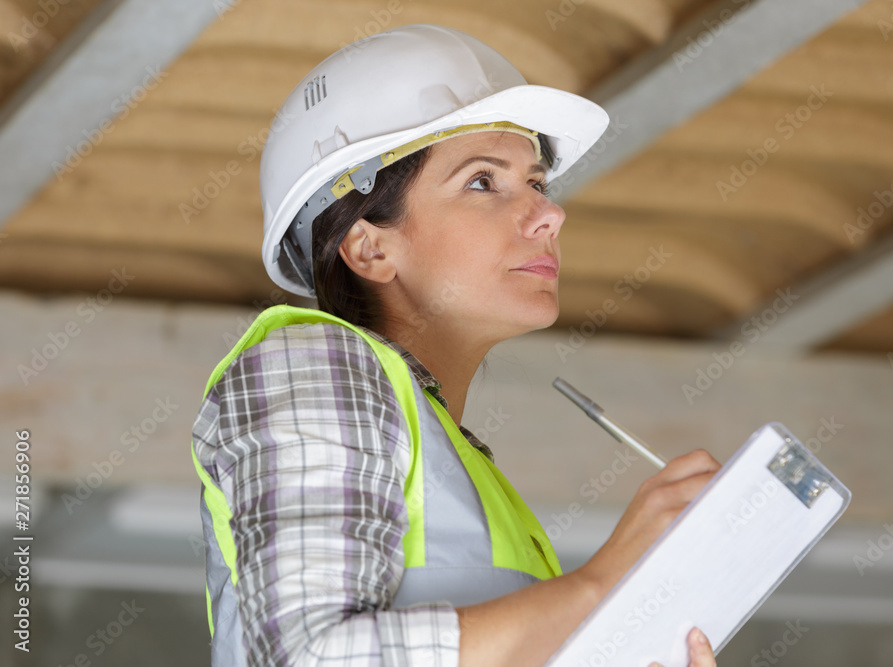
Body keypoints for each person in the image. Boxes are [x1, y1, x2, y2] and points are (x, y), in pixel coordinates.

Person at [191, 23, 722, 667]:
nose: (549, 214)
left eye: (537, 183)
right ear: (369, 247)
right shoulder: (310, 364)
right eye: (482, 181)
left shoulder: (468, 478)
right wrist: (600, 587)